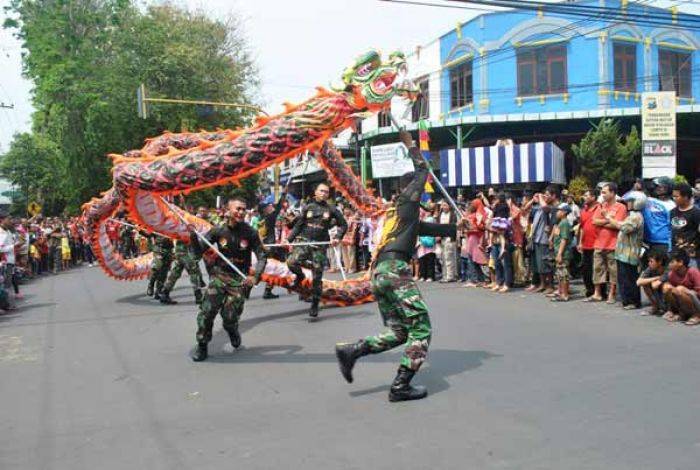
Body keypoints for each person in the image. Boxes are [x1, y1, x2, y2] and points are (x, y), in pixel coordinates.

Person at [334, 130, 462, 402]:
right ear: (410, 191)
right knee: (422, 328)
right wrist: (412, 146)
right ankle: (400, 385)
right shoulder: (407, 201)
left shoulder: (398, 215)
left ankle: (353, 350)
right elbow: (423, 171)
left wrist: (457, 227)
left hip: (381, 273)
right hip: (394, 271)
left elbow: (428, 228)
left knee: (399, 332)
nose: (422, 199)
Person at [189, 197, 268, 361]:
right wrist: (192, 236)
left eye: (243, 209)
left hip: (239, 279)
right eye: (237, 209)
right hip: (219, 276)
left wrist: (255, 276)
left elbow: (262, 256)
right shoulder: (218, 231)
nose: (241, 212)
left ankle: (232, 329)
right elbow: (197, 253)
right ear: (227, 211)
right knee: (207, 312)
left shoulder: (250, 233)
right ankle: (202, 345)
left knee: (230, 316)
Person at [285, 182, 347, 318]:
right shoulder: (308, 207)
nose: (324, 193)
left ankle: (315, 303)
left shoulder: (332, 209)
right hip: (304, 242)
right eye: (321, 191)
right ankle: (300, 276)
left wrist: (337, 237)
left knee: (317, 276)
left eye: (326, 192)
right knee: (291, 262)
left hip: (320, 245)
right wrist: (288, 240)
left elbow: (343, 225)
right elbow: (298, 225)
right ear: (316, 192)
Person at [588, 183, 627, 304]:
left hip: (613, 243)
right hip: (599, 243)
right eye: (602, 192)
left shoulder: (621, 207)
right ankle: (597, 293)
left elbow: (619, 225)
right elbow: (594, 221)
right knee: (598, 268)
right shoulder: (601, 206)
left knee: (613, 270)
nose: (602, 195)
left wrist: (605, 221)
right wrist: (608, 220)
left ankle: (612, 293)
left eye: (605, 192)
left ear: (613, 193)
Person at [608, 191, 645, 310]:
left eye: (630, 201)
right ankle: (626, 300)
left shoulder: (636, 217)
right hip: (623, 253)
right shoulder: (632, 215)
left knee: (629, 278)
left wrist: (609, 218)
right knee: (623, 278)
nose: (628, 203)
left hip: (629, 253)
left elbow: (624, 227)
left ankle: (633, 302)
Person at [655, 249, 700, 325]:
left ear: (681, 262)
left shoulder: (693, 272)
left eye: (672, 262)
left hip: (696, 303)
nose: (669, 264)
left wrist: (687, 291)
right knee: (666, 287)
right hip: (683, 304)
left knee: (680, 289)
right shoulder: (671, 274)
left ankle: (696, 315)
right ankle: (680, 313)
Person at [527, 187, 559, 294]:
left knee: (547, 264)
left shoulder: (553, 207)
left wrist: (541, 197)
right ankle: (542, 284)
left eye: (547, 195)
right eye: (544, 195)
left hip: (545, 240)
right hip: (537, 238)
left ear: (554, 196)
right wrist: (534, 199)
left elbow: (545, 208)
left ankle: (550, 285)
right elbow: (525, 209)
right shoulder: (539, 207)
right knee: (539, 264)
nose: (545, 197)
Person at [258, 190, 287, 299]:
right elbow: (279, 207)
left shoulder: (263, 219)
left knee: (263, 268)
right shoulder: (269, 217)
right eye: (268, 206)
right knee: (274, 269)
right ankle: (267, 290)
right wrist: (283, 195)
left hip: (267, 246)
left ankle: (248, 289)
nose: (270, 207)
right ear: (264, 210)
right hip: (272, 247)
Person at [159, 238, 205, 305]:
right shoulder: (187, 229)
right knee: (194, 273)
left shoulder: (179, 228)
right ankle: (198, 296)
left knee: (175, 273)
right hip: (187, 252)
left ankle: (165, 293)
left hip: (178, 252)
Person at [670, 183, 700, 269]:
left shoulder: (696, 213)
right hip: (675, 254)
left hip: (691, 256)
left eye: (676, 196)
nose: (674, 199)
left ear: (686, 197)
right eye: (673, 196)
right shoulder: (672, 212)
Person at [578, 189, 599, 298]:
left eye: (587, 195)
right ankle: (589, 290)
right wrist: (580, 242)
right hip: (585, 244)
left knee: (596, 269)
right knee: (586, 269)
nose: (584, 197)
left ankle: (598, 291)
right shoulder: (583, 210)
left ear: (593, 197)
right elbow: (582, 228)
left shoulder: (599, 209)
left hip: (596, 244)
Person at [551, 203, 573, 301]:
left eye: (559, 210)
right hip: (559, 251)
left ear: (564, 212)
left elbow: (564, 239)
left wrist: (560, 253)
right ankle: (561, 292)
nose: (557, 212)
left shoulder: (564, 223)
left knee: (563, 274)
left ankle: (564, 294)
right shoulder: (560, 222)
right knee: (560, 273)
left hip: (563, 253)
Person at [637, 250, 668, 316]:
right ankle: (655, 307)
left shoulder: (667, 270)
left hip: (669, 300)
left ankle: (670, 310)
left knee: (666, 286)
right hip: (658, 295)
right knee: (645, 284)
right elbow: (638, 282)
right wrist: (656, 278)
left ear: (659, 262)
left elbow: (655, 285)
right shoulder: (650, 268)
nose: (649, 263)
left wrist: (657, 281)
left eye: (651, 261)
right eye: (649, 261)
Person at [146, 234, 174, 301]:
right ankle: (151, 285)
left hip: (169, 251)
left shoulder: (171, 226)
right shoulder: (157, 226)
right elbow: (148, 234)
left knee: (164, 272)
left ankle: (158, 291)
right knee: (157, 268)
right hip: (159, 250)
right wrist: (139, 229)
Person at [437, 200, 458, 283]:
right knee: (443, 257)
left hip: (449, 238)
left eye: (445, 205)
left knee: (448, 257)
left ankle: (450, 276)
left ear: (449, 206)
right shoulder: (440, 215)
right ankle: (444, 275)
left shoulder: (452, 215)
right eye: (442, 205)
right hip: (442, 238)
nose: (443, 207)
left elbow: (454, 227)